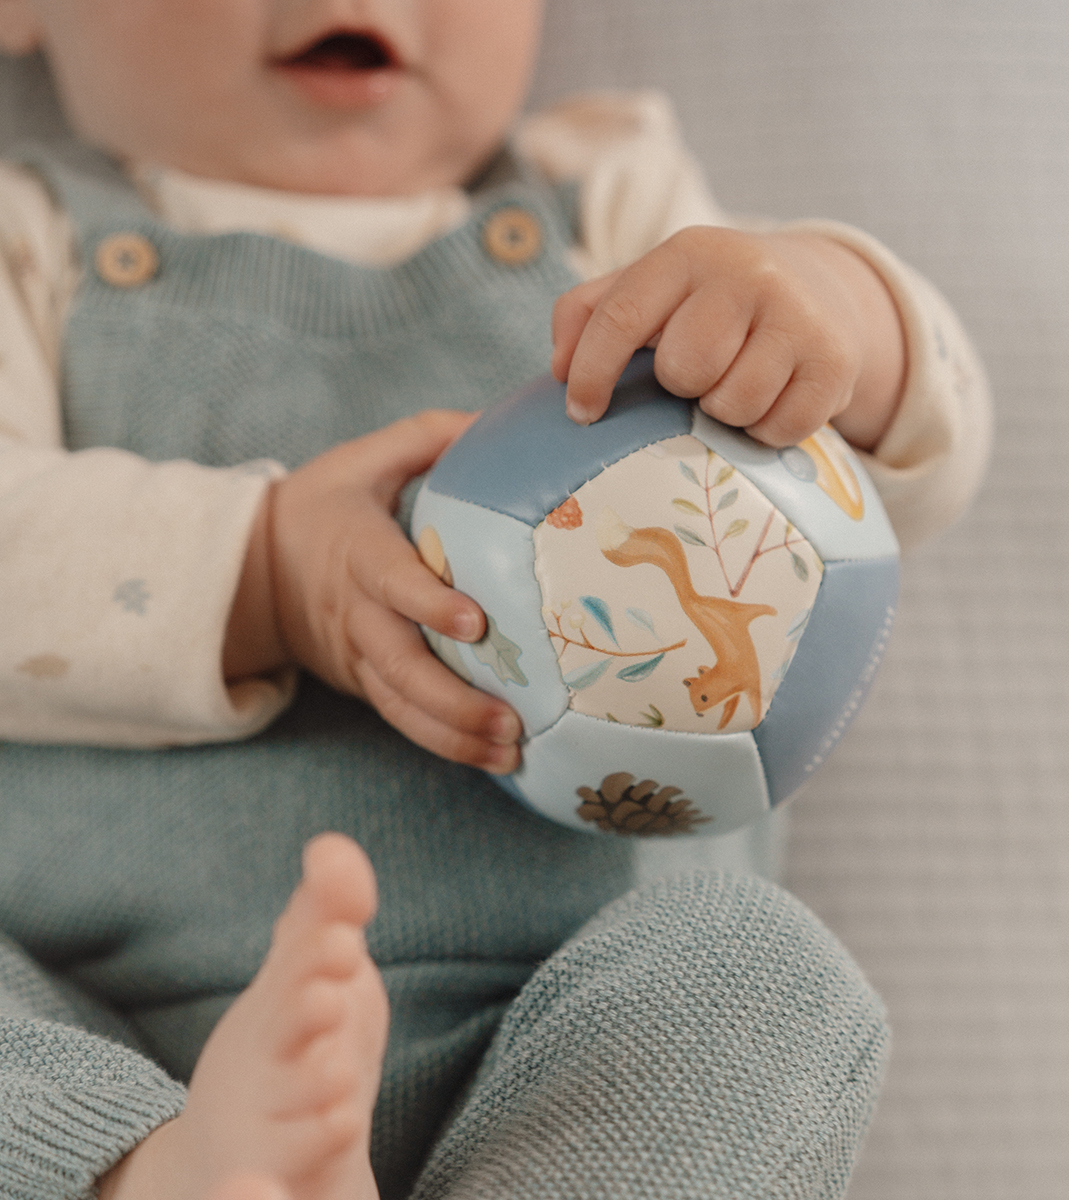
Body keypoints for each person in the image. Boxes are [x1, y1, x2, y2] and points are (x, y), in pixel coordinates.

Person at [0, 1, 991, 1197]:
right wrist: (267, 569)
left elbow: (905, 464)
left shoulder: (618, 210)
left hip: (575, 1027)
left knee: (760, 971)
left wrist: (837, 316)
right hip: (99, 1023)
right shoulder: (25, 237)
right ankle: (157, 1178)